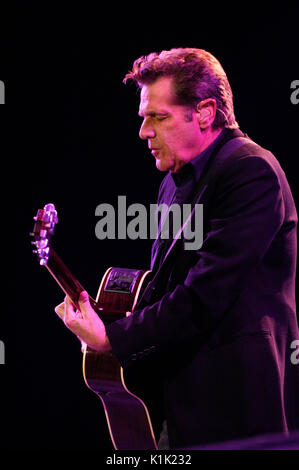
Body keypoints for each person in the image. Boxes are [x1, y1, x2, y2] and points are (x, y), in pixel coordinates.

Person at [55, 48, 299, 449]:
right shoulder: (174, 180)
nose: (144, 131)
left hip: (238, 409)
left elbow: (202, 297)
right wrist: (102, 316)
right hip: (180, 406)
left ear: (204, 112)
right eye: (144, 117)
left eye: (159, 117)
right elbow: (166, 289)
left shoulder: (251, 172)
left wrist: (111, 339)